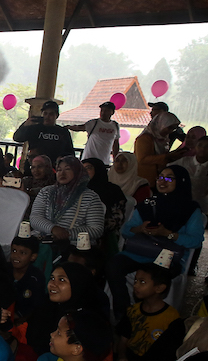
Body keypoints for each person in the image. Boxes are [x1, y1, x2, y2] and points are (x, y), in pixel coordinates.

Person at [107, 165, 203, 319]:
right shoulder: (148, 205)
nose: (162, 181)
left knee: (153, 276)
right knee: (113, 265)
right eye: (160, 177)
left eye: (169, 178)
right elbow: (126, 231)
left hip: (167, 257)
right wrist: (140, 229)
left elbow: (196, 241)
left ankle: (151, 315)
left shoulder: (190, 210)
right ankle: (123, 313)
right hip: (140, 251)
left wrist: (168, 234)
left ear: (181, 181)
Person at [29, 156, 105, 249]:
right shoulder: (47, 192)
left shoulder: (90, 197)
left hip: (73, 245)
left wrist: (67, 234)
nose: (62, 173)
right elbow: (35, 217)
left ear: (77, 171)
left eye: (68, 169)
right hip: (43, 239)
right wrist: (53, 229)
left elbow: (96, 229)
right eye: (59, 170)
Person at [81, 158, 127, 253]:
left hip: (103, 236)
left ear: (98, 169)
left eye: (88, 168)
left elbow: (116, 219)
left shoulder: (113, 190)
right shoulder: (78, 189)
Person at [135, 101, 185, 186]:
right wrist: (167, 156)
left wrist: (174, 155)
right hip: (145, 178)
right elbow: (142, 159)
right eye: (169, 128)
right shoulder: (145, 138)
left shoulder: (164, 138)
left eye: (154, 110)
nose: (171, 131)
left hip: (159, 177)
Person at [13, 100, 75, 167]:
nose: (47, 116)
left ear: (56, 116)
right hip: (34, 166)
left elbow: (70, 153)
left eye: (51, 114)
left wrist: (62, 158)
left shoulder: (63, 132)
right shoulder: (34, 128)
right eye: (45, 113)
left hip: (54, 167)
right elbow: (17, 138)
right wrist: (25, 125)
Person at [9, 235, 46, 326]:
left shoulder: (36, 277)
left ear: (33, 257)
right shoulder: (4, 270)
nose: (16, 256)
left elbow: (35, 306)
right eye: (14, 251)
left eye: (22, 253)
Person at [171, 132, 208, 216]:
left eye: (207, 147)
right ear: (195, 146)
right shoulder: (184, 161)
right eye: (200, 145)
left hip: (204, 207)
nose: (203, 148)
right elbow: (167, 171)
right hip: (182, 203)